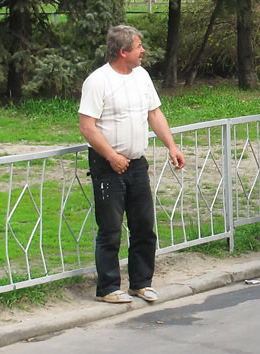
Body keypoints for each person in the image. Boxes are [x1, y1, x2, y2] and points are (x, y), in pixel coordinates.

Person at [78, 25, 185, 303]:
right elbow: (87, 127)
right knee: (111, 229)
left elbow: (155, 113)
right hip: (107, 166)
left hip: (137, 164)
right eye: (139, 46)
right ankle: (108, 288)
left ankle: (140, 283)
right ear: (123, 51)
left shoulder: (142, 77)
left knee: (143, 226)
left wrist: (172, 146)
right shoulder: (98, 81)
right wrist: (111, 157)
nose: (143, 51)